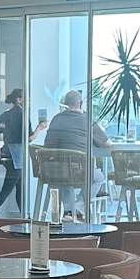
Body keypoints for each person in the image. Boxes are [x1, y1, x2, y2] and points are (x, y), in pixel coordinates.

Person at [42, 90, 111, 218]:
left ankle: (69, 211)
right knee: (99, 177)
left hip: (53, 171)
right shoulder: (87, 120)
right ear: (81, 103)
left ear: (65, 103)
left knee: (63, 175)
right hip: (78, 171)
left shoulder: (56, 119)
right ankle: (78, 208)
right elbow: (107, 143)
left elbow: (48, 145)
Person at [0, 89, 43, 216]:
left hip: (7, 154)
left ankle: (25, 217)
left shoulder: (5, 115)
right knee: (6, 191)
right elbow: (28, 138)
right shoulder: (23, 114)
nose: (28, 101)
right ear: (19, 99)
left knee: (19, 188)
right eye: (26, 98)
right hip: (17, 157)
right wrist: (39, 128)